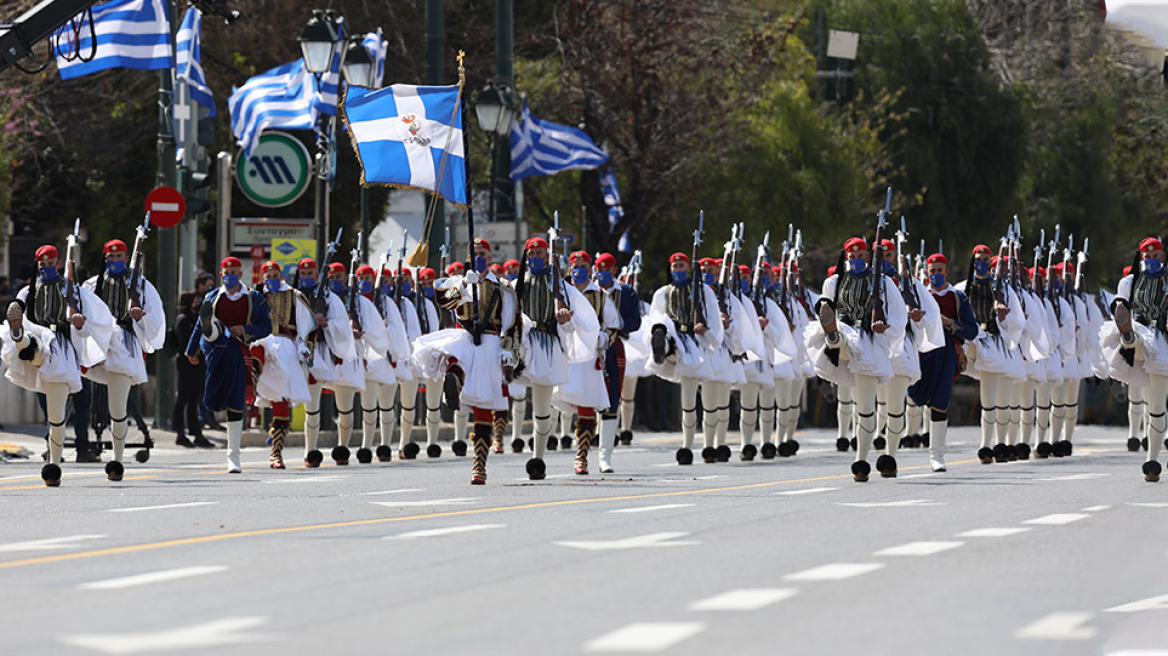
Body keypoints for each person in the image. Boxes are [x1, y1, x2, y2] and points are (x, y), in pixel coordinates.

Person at [2, 243, 113, 486]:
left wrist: (79, 323)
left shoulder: (72, 292)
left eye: (50, 264)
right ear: (37, 264)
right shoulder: (26, 293)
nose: (46, 269)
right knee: (32, 341)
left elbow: (86, 333)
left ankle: (53, 464)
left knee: (56, 416)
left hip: (60, 349)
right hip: (35, 343)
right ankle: (19, 337)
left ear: (58, 264)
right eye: (42, 265)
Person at [413, 238, 517, 484]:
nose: (478, 257)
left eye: (482, 253)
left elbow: (512, 322)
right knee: (454, 352)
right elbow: (443, 300)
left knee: (483, 405)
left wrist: (508, 350)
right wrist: (463, 288)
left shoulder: (503, 287)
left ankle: (479, 465)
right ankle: (454, 382)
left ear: (490, 258)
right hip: (465, 335)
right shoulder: (460, 282)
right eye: (474, 253)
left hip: (490, 341)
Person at [808, 237, 907, 482]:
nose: (856, 260)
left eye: (861, 255)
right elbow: (826, 303)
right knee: (839, 332)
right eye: (851, 257)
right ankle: (833, 336)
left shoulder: (883, 283)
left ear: (868, 257)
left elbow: (899, 315)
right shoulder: (834, 282)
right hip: (845, 330)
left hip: (869, 341)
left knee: (865, 406)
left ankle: (861, 459)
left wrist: (885, 325)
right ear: (845, 257)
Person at [83, 238, 167, 477]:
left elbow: (156, 319)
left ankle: (117, 459)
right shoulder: (92, 285)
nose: (115, 261)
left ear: (126, 257)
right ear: (105, 258)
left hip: (122, 348)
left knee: (117, 408)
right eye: (111, 257)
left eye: (120, 256)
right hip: (97, 347)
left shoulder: (140, 285)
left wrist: (140, 317)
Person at [185, 256, 272, 473]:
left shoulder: (255, 297)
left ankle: (233, 456)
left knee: (235, 402)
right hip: (215, 351)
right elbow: (197, 325)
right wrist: (191, 350)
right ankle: (213, 330)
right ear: (221, 274)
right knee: (213, 398)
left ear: (240, 274)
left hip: (238, 349)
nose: (230, 276)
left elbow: (266, 326)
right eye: (226, 272)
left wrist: (244, 329)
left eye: (234, 272)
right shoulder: (213, 296)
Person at [645, 252, 723, 465]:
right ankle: (686, 447)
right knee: (687, 402)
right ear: (670, 269)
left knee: (709, 403)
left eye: (682, 266)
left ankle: (709, 446)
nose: (678, 269)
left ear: (688, 268)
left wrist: (707, 331)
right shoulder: (662, 293)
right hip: (680, 344)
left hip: (702, 345)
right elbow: (654, 317)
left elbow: (715, 320)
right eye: (675, 266)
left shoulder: (704, 291)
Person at [907, 254, 978, 472]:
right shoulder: (918, 296)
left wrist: (951, 323)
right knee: (911, 394)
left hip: (947, 354)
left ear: (946, 271)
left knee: (940, 402)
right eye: (932, 270)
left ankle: (936, 455)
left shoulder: (958, 297)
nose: (936, 274)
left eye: (940, 270)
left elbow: (972, 330)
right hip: (921, 353)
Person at [249, 262, 314, 468]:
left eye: (275, 275)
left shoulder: (294, 295)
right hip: (264, 340)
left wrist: (304, 346)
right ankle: (249, 384)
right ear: (263, 277)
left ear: (281, 275)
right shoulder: (256, 297)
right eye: (268, 276)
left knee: (281, 399)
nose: (272, 279)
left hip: (285, 347)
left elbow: (308, 324)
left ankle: (276, 453)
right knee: (256, 349)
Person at [595, 252, 641, 472]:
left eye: (607, 269)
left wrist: (615, 327)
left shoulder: (628, 293)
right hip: (590, 348)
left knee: (613, 397)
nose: (603, 273)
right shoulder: (588, 291)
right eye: (599, 269)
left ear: (614, 270)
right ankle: (584, 450)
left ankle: (606, 456)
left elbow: (635, 321)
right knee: (588, 395)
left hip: (614, 347)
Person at [172, 290, 213, 448]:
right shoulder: (183, 319)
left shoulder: (196, 318)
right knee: (183, 397)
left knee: (194, 398)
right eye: (195, 300)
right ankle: (180, 433)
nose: (197, 302)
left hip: (198, 364)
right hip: (186, 364)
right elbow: (185, 341)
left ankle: (196, 433)